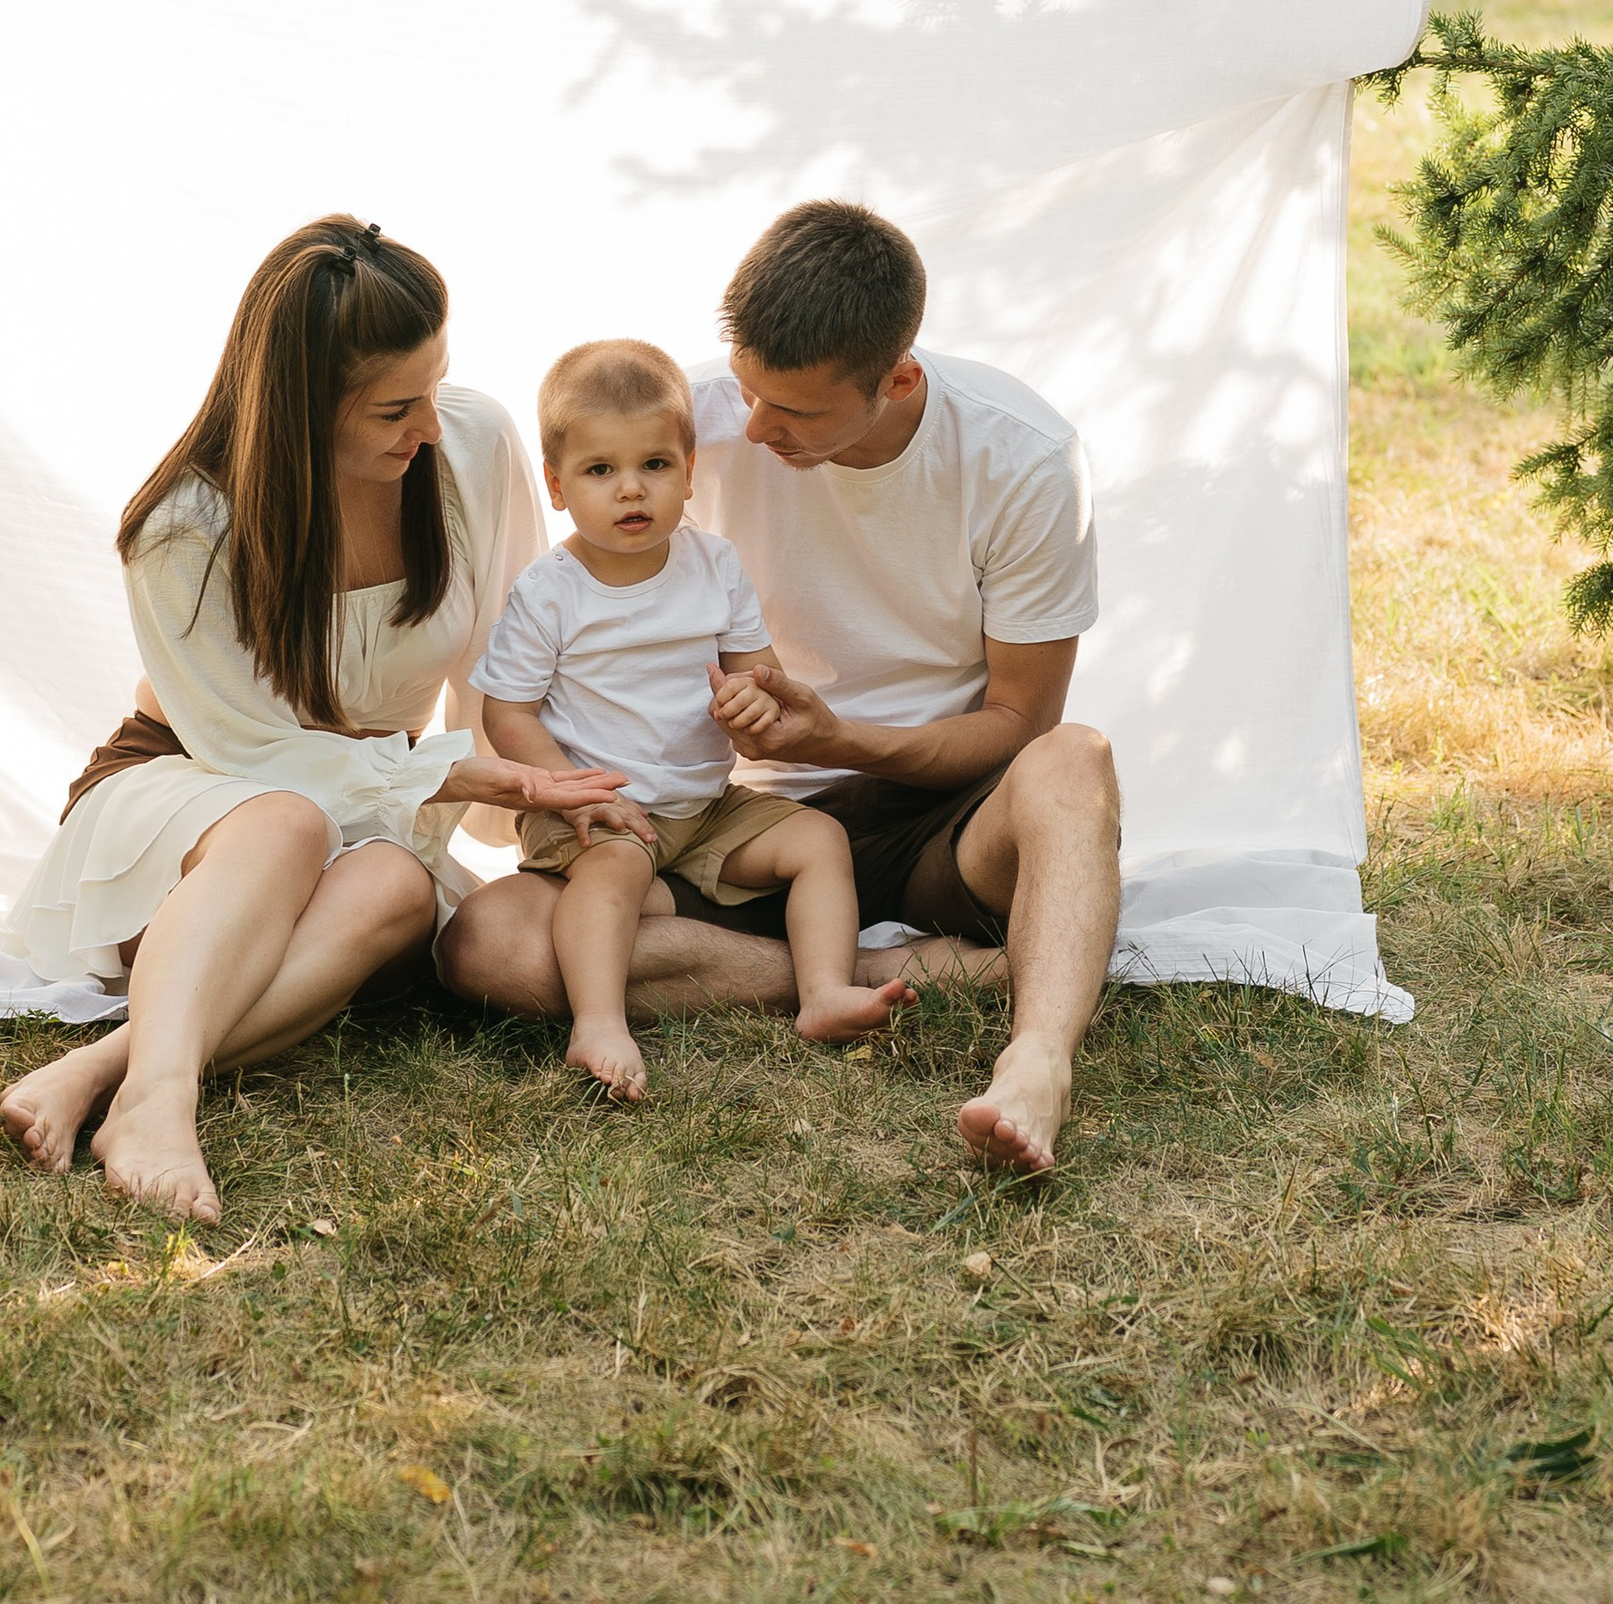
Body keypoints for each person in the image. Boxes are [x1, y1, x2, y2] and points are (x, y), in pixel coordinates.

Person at [439, 201, 1122, 1175]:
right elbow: (580, 479)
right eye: (749, 392)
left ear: (897, 379)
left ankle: (1036, 1056)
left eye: (793, 412)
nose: (753, 428)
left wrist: (837, 739)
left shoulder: (1021, 457)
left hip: (937, 808)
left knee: (1077, 759)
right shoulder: (688, 422)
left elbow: (1019, 720)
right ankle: (876, 968)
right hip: (724, 821)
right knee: (489, 944)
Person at [0, 218, 625, 1226]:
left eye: (434, 383)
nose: (427, 421)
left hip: (371, 806)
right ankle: (161, 1103)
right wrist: (447, 777)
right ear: (299, 405)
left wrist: (536, 807)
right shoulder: (182, 526)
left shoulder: (469, 440)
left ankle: (110, 1067)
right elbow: (246, 750)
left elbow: (507, 661)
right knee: (286, 818)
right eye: (392, 405)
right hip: (189, 797)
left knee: (396, 881)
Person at [476, 339, 917, 1100]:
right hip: (595, 809)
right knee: (613, 870)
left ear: (688, 468)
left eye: (654, 464)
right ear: (556, 485)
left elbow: (760, 671)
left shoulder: (714, 565)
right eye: (599, 470)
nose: (630, 490)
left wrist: (752, 698)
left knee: (818, 838)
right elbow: (506, 712)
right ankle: (600, 1022)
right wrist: (573, 787)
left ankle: (824, 992)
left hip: (704, 806)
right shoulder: (551, 592)